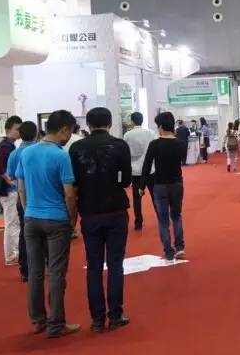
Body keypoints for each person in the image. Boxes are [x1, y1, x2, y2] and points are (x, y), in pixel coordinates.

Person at [14, 110, 80, 338]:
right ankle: (56, 323)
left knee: (35, 272)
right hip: (56, 218)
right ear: (64, 129)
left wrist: (27, 211)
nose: (69, 137)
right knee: (56, 272)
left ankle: (37, 320)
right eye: (69, 132)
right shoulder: (61, 156)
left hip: (31, 217)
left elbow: (21, 188)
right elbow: (69, 194)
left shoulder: (26, 152)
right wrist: (71, 219)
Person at [69, 107, 132, 333]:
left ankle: (97, 319)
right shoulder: (119, 145)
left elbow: (73, 182)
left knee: (93, 266)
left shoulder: (76, 148)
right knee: (115, 265)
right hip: (115, 209)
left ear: (88, 124)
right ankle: (115, 315)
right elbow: (126, 180)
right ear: (110, 123)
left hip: (89, 211)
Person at [142, 112, 185, 260]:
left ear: (160, 126)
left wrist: (142, 185)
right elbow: (182, 159)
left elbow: (147, 166)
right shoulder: (180, 143)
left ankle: (168, 251)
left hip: (160, 184)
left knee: (163, 220)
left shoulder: (155, 144)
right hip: (177, 183)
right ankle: (180, 247)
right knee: (176, 216)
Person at [7, 121, 39, 283]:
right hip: (41, 196)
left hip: (23, 197)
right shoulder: (41, 151)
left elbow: (11, 175)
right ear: (36, 134)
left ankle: (25, 270)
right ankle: (45, 263)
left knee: (25, 233)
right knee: (47, 232)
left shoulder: (14, 154)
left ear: (20, 134)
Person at [0, 115, 23, 265]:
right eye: (17, 129)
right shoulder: (6, 145)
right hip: (7, 190)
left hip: (7, 189)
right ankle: (12, 255)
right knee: (12, 223)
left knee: (12, 222)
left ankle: (11, 255)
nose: (19, 131)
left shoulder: (8, 145)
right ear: (9, 129)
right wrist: (6, 177)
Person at [123, 112, 156, 231]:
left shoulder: (127, 135)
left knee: (137, 199)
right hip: (150, 169)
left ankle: (138, 223)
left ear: (132, 121)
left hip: (135, 170)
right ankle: (162, 218)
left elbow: (125, 152)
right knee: (155, 196)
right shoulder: (151, 133)